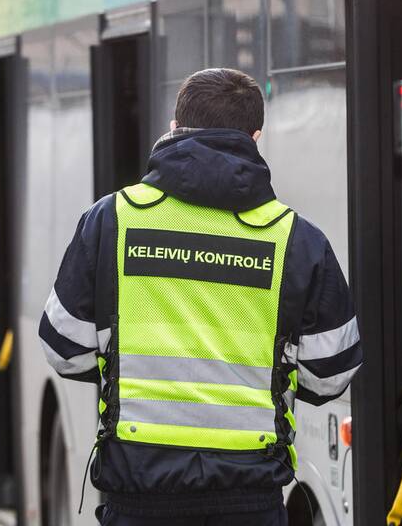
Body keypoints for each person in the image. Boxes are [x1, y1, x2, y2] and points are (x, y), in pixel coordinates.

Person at [39, 68, 362, 525]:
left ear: (173, 130)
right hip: (249, 502)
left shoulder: (111, 221)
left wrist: (128, 370)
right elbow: (332, 373)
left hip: (139, 500)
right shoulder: (297, 240)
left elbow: (63, 349)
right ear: (255, 137)